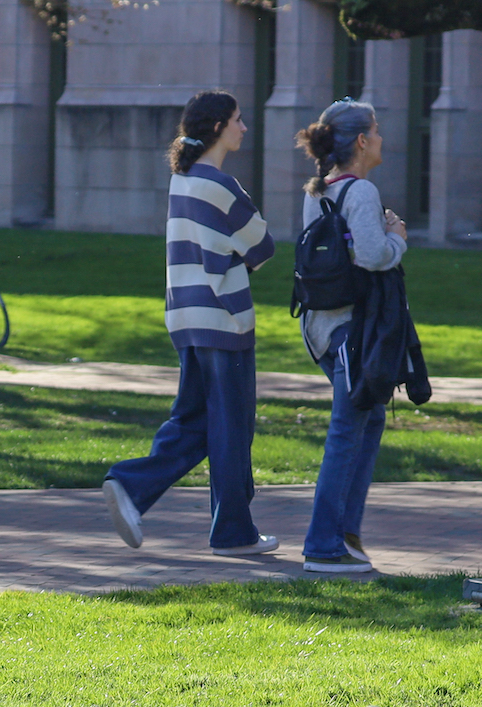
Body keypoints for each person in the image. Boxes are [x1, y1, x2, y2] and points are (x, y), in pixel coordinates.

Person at [102, 91, 279, 557]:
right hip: (225, 319)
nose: (244, 128)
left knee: (196, 420)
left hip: (185, 317)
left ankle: (133, 487)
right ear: (219, 125)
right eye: (239, 120)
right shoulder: (221, 185)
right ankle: (232, 533)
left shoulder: (181, 181)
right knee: (232, 427)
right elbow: (263, 248)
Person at [294, 99, 405, 577]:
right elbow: (374, 255)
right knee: (347, 428)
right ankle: (324, 544)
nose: (381, 138)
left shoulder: (318, 190)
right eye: (376, 131)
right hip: (349, 330)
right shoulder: (360, 191)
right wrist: (397, 235)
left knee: (368, 417)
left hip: (320, 327)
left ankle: (346, 532)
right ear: (361, 141)